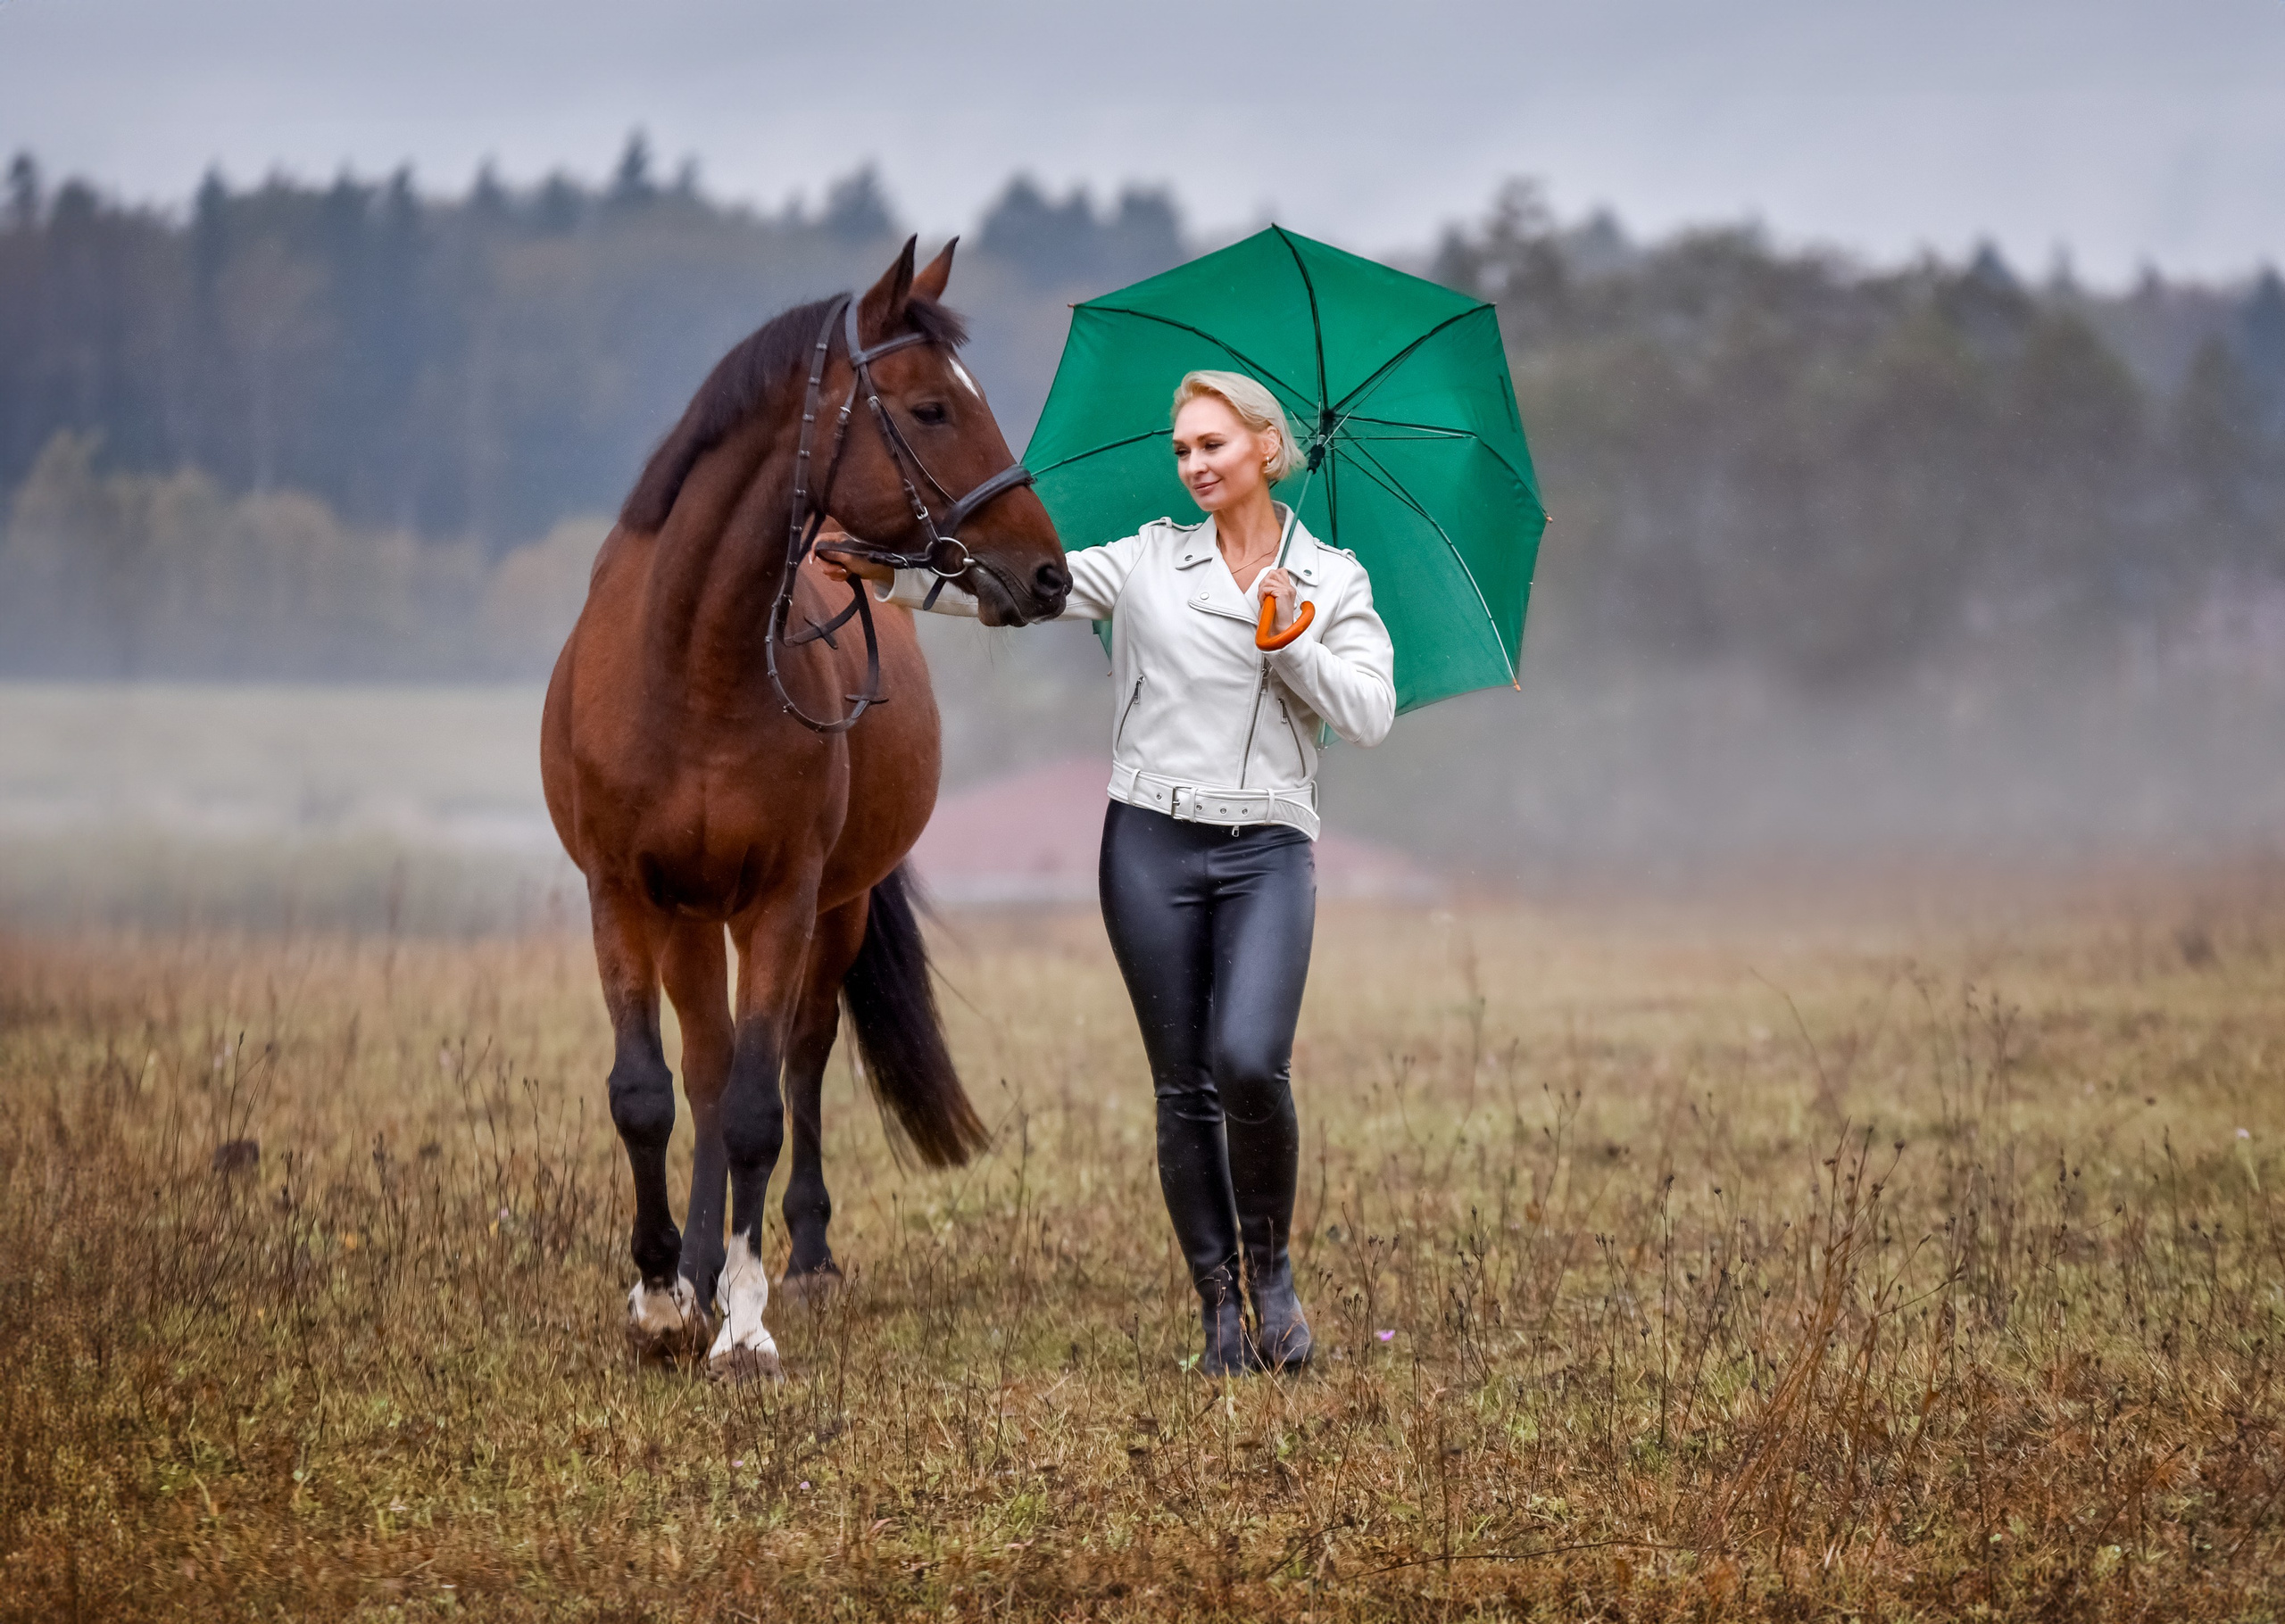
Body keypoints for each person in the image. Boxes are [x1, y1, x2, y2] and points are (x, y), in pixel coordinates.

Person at [827, 370, 1395, 1374]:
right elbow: (1010, 594)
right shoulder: (1144, 561)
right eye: (1181, 451)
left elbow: (1369, 712)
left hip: (1267, 848)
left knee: (1251, 1060)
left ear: (1267, 449)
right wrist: (891, 577)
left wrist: (1291, 641)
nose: (1193, 466)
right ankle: (1220, 1314)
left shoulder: (1331, 580)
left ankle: (1273, 1284)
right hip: (1149, 847)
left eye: (1212, 445)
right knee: (1183, 1088)